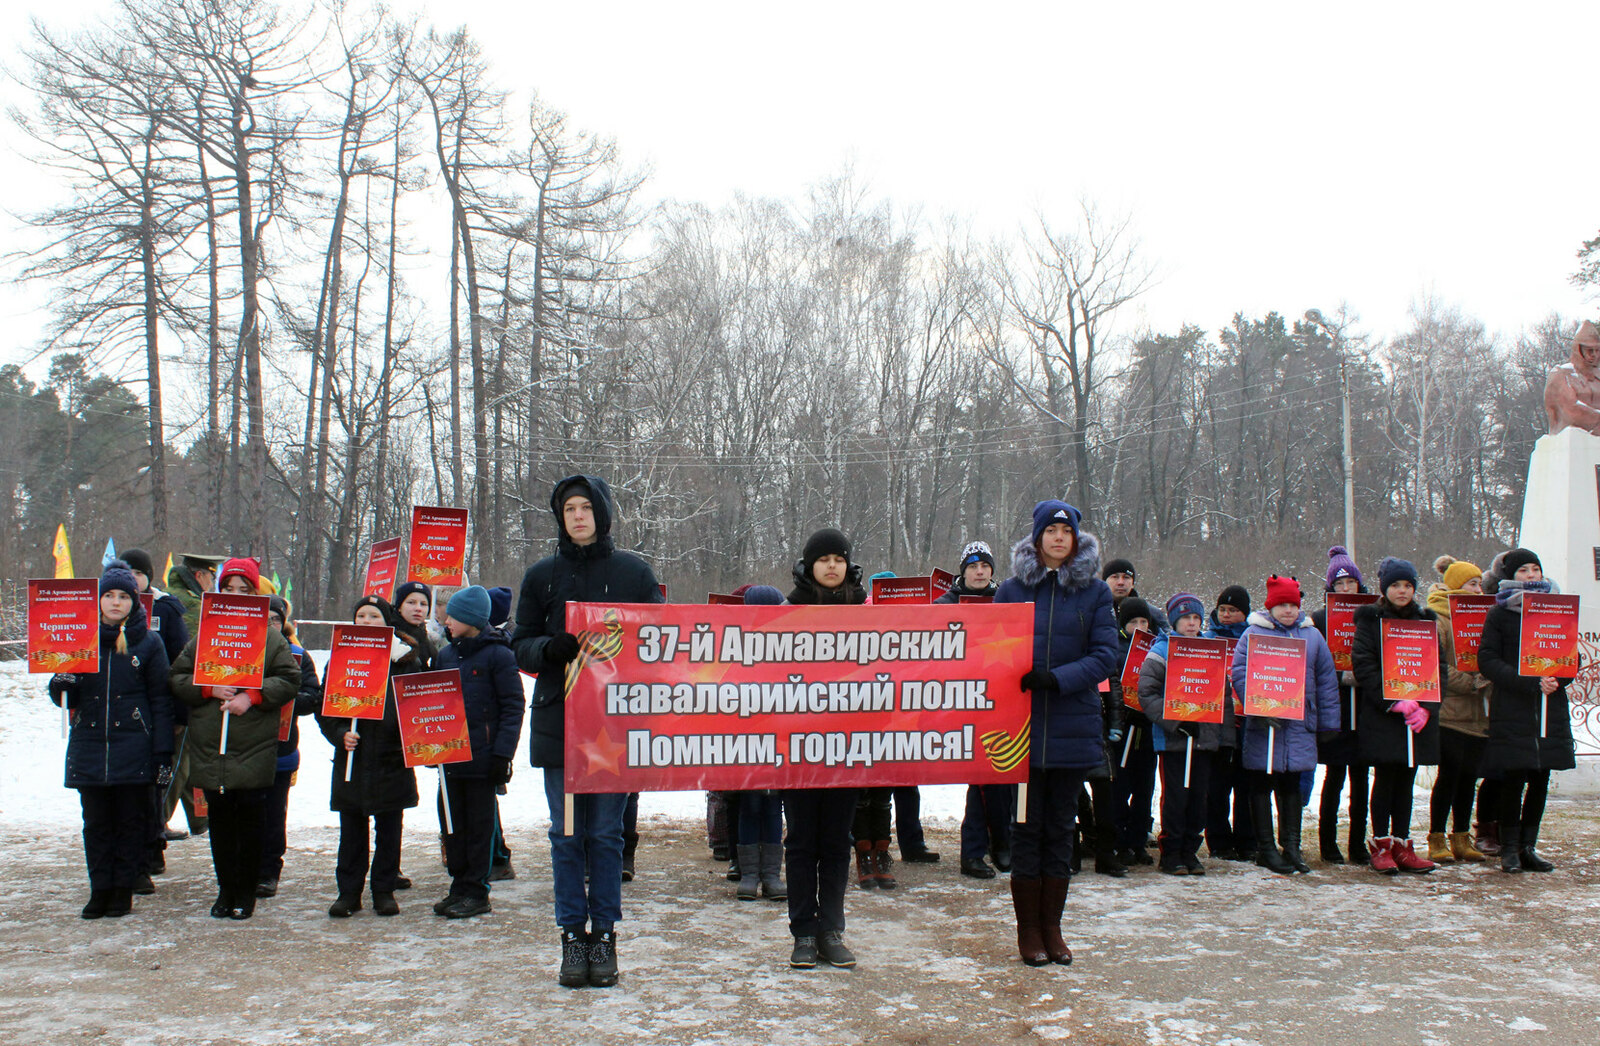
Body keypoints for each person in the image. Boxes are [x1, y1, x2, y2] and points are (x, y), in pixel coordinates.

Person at [512, 474, 664, 988]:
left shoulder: (634, 573)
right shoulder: (541, 576)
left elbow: (658, 643)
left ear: (602, 513)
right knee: (567, 834)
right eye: (568, 508)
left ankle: (605, 936)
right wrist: (547, 650)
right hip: (561, 723)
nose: (577, 516)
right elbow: (520, 642)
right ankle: (572, 936)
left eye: (585, 507)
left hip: (616, 724)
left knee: (605, 834)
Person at [996, 501, 1119, 967]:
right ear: (1037, 537)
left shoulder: (1094, 594)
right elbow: (990, 651)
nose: (1059, 538)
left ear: (1077, 540)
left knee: (1061, 829)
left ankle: (1054, 928)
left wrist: (1058, 678)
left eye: (1067, 531)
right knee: (1025, 830)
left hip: (1071, 727)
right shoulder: (1010, 590)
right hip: (1020, 733)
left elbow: (1107, 655)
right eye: (1051, 530)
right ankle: (1028, 931)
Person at [168, 556, 299, 919]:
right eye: (229, 589)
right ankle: (225, 890)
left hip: (252, 746)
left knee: (252, 821)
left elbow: (289, 679)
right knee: (221, 823)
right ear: (218, 590)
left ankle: (246, 892)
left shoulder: (270, 639)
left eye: (245, 590)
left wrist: (251, 696)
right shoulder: (204, 639)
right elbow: (177, 679)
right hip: (212, 747)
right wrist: (209, 688)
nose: (237, 595)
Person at [48, 560, 174, 919]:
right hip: (90, 744)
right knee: (97, 824)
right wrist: (61, 685)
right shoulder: (79, 640)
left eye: (123, 596)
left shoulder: (148, 643)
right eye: (108, 595)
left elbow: (161, 701)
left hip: (134, 747)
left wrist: (162, 750)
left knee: (130, 824)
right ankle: (99, 888)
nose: (115, 602)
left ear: (134, 601)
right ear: (98, 599)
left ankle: (122, 889)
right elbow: (63, 698)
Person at [780, 528, 866, 969]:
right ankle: (803, 932)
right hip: (796, 748)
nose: (831, 566)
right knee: (800, 842)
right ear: (808, 565)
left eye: (838, 558)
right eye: (823, 559)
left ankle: (832, 928)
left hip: (849, 747)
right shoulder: (787, 611)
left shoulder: (867, 612)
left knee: (836, 841)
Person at [318, 595, 426, 917]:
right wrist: (340, 735)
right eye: (361, 616)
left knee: (390, 828)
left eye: (374, 617)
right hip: (353, 760)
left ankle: (384, 889)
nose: (367, 622)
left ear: (387, 622)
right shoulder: (340, 658)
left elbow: (417, 705)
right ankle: (349, 892)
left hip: (391, 758)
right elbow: (325, 708)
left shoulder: (406, 659)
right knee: (351, 830)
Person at [1230, 576, 1340, 875]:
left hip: (1299, 723)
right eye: (1282, 605)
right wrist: (1257, 706)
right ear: (1271, 607)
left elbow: (1326, 681)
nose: (1288, 611)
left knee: (1291, 784)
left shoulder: (1313, 637)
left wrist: (1329, 723)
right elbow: (1239, 672)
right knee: (1262, 783)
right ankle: (1266, 848)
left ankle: (1291, 845)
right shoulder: (1253, 634)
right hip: (1264, 725)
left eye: (1292, 605)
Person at [1476, 549, 1576, 873]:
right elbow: (1488, 660)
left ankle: (1527, 846)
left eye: (1536, 569)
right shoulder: (1500, 613)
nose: (1532, 576)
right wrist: (1527, 682)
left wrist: (1557, 679)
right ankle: (1508, 848)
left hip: (1549, 706)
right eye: (1524, 571)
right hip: (1514, 706)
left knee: (1540, 777)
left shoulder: (1558, 610)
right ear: (1511, 577)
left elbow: (1567, 655)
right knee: (1513, 777)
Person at [432, 585, 526, 917]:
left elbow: (513, 707)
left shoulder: (499, 654)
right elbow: (434, 704)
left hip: (483, 759)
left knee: (479, 827)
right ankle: (459, 886)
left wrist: (503, 755)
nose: (446, 621)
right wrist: (429, 744)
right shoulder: (445, 655)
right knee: (452, 826)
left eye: (453, 617)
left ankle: (477, 890)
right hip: (450, 759)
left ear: (471, 620)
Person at [1351, 557, 1442, 875]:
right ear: (1384, 588)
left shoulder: (1426, 621)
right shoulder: (1370, 621)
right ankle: (1381, 844)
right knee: (1386, 779)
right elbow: (1363, 664)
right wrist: (1393, 701)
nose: (1402, 591)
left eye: (1407, 585)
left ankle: (1403, 843)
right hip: (1385, 716)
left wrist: (1427, 708)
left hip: (1417, 715)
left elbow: (1437, 667)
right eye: (1395, 585)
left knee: (1407, 779)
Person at [1137, 593, 1228, 877]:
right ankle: (1171, 851)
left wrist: (1221, 735)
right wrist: (1174, 723)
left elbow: (1221, 695)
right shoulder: (1161, 651)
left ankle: (1190, 850)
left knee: (1199, 797)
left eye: (1196, 618)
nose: (1191, 623)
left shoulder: (1212, 650)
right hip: (1174, 740)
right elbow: (1147, 693)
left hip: (1204, 737)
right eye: (1186, 618)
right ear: (1175, 620)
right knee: (1176, 796)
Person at [939, 542, 1012, 879]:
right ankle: (974, 851)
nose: (980, 571)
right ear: (963, 571)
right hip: (963, 700)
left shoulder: (1009, 599)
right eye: (973, 566)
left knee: (1004, 774)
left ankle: (1002, 843)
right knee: (980, 779)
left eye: (985, 566)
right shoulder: (944, 605)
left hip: (1005, 700)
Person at [120, 548, 188, 884]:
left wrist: (179, 714)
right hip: (120, 713)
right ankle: (128, 856)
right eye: (126, 571)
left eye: (138, 572)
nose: (133, 579)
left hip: (158, 710)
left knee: (155, 786)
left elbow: (179, 661)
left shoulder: (165, 607)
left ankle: (153, 849)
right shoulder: (108, 607)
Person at [1425, 555, 1490, 863]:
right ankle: (1436, 837)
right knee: (1449, 775)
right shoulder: (1439, 619)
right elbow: (1436, 666)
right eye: (1472, 584)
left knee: (1469, 777)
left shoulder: (1484, 617)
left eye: (1480, 583)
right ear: (1455, 586)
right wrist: (1472, 681)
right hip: (1450, 712)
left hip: (1479, 713)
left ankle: (1461, 837)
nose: (1478, 590)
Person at [258, 594, 322, 898]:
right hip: (242, 748)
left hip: (280, 748)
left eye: (275, 618)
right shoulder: (240, 649)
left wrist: (283, 699)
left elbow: (313, 696)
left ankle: (269, 870)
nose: (269, 623)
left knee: (273, 814)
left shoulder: (298, 655)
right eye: (264, 617)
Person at [1310, 546, 1370, 864]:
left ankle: (1358, 844)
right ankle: (1328, 844)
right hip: (1336, 708)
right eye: (1340, 584)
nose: (1346, 589)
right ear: (1331, 587)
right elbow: (1314, 662)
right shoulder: (1320, 619)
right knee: (1334, 777)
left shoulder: (1372, 613)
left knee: (1361, 779)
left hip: (1365, 709)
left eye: (1351, 583)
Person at [161, 551, 224, 837]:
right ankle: (157, 821)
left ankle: (200, 819)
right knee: (180, 761)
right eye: (212, 576)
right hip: (188, 691)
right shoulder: (193, 605)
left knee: (188, 759)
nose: (213, 582)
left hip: (179, 689)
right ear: (200, 576)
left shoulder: (170, 595)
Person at [733, 584, 788, 902]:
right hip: (745, 743)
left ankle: (771, 874)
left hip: (779, 743)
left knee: (772, 807)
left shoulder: (786, 647)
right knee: (749, 807)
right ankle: (749, 873)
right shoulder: (734, 646)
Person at [1204, 585, 1254, 861]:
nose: (1226, 615)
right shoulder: (1207, 639)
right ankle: (1219, 841)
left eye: (1233, 611)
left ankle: (1248, 839)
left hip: (1247, 721)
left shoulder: (1254, 640)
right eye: (1222, 609)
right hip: (1217, 722)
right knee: (1217, 787)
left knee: (1246, 785)